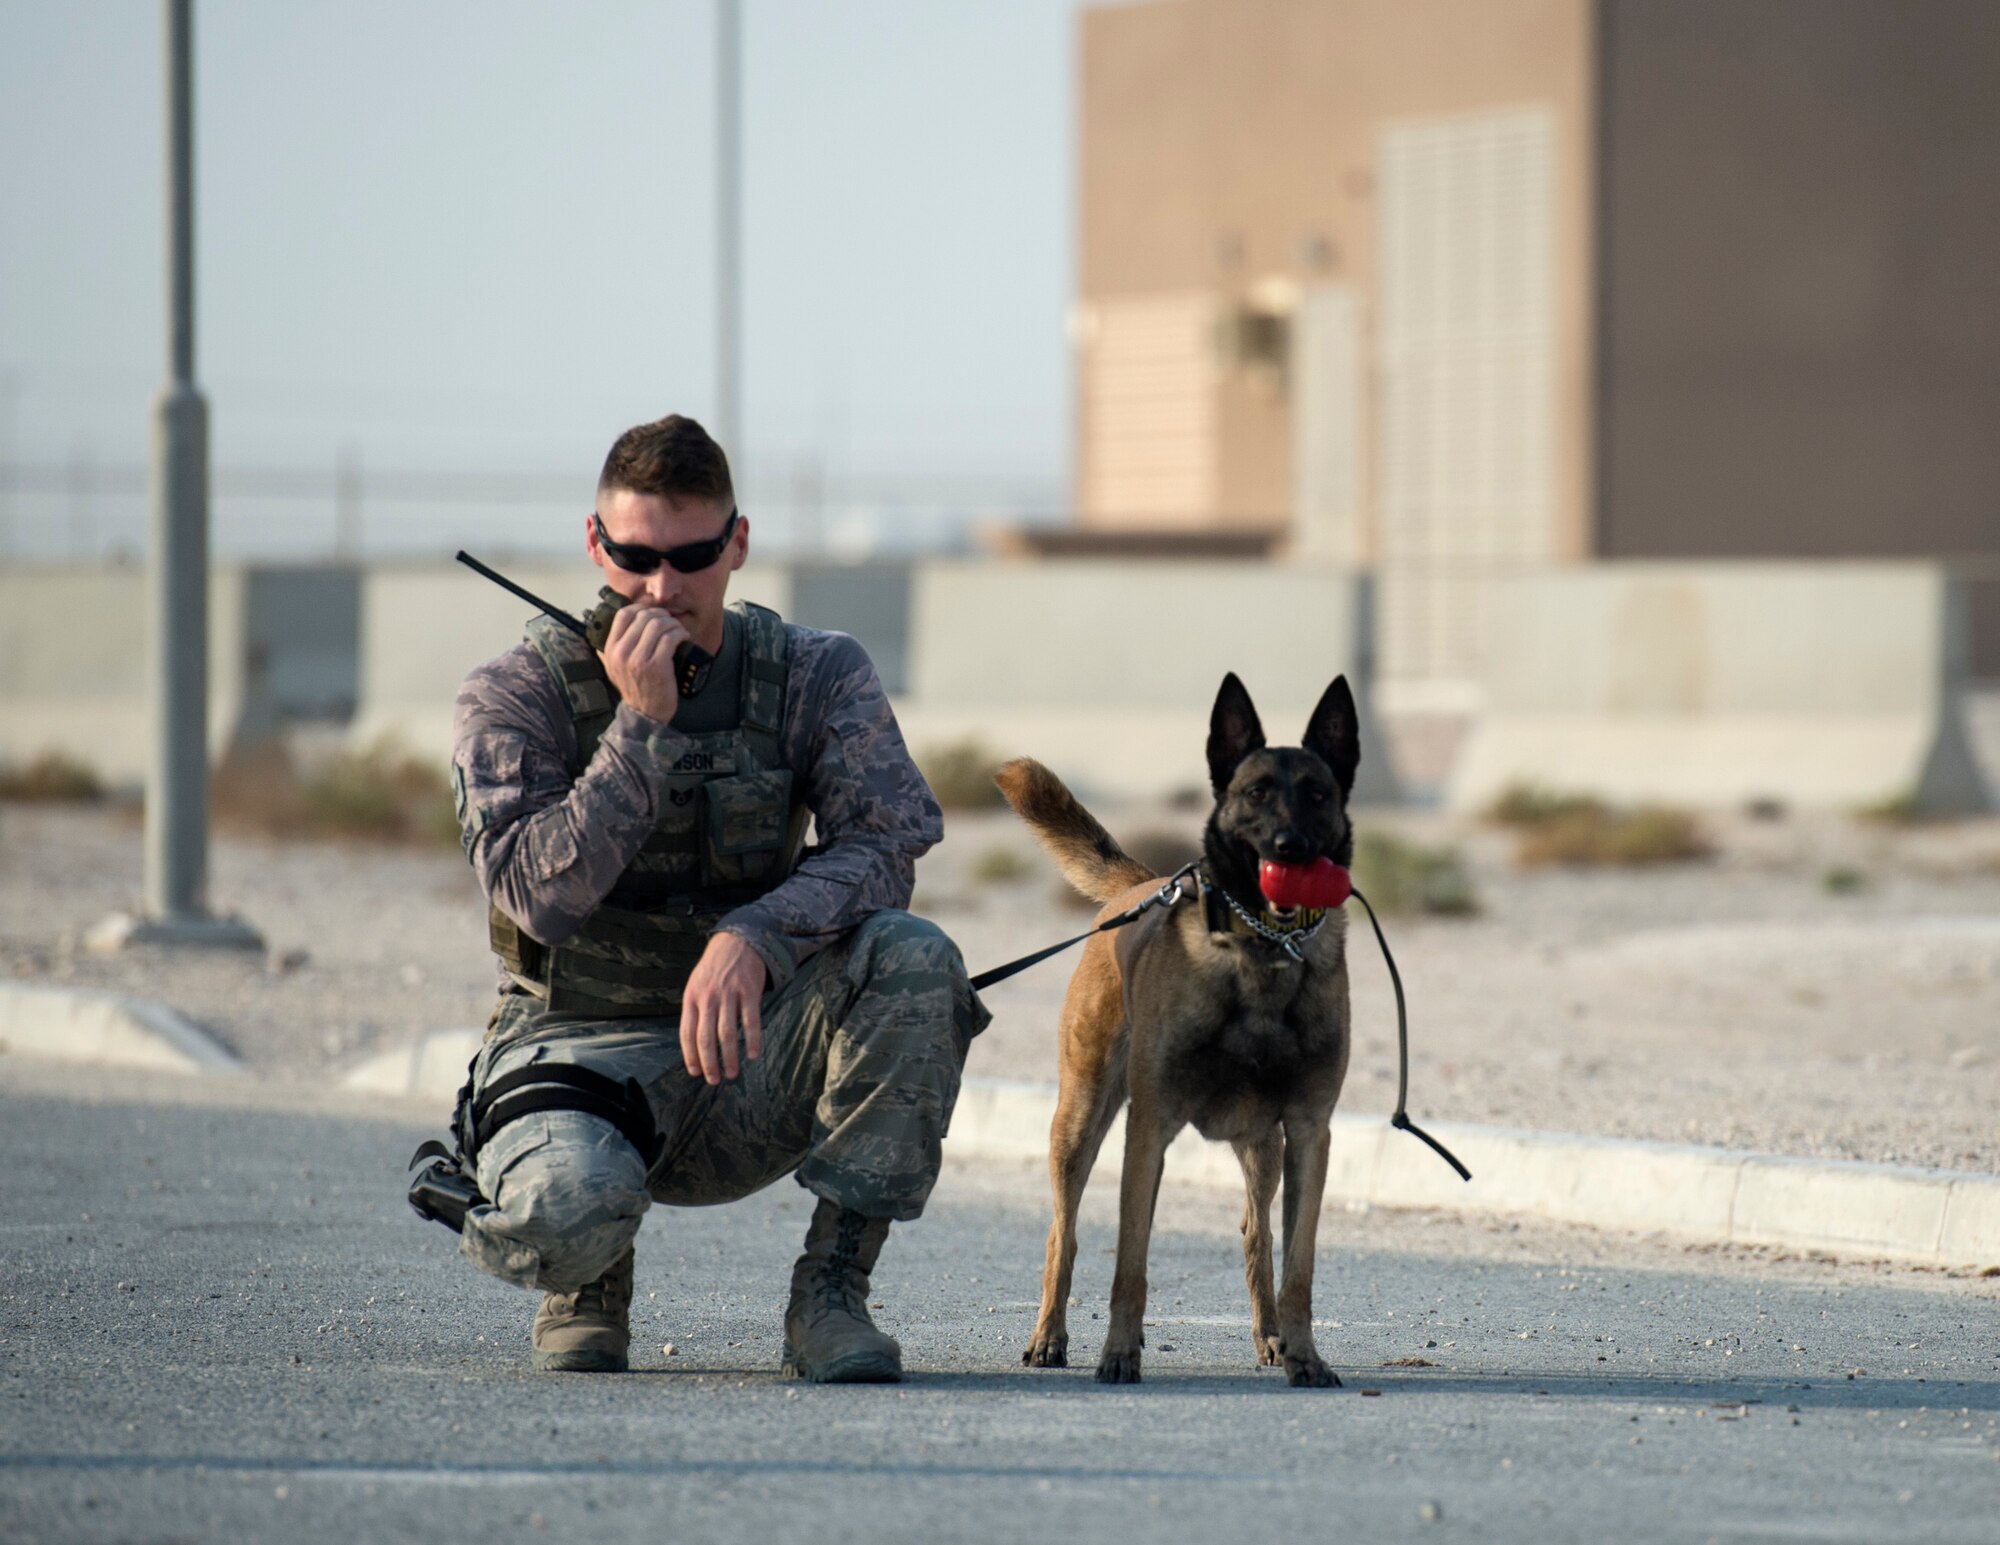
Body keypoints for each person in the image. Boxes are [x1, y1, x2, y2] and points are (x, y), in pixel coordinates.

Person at [441, 412, 986, 1382]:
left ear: (736, 543)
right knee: (557, 1222)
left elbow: (889, 837)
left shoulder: (816, 673)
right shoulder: (517, 693)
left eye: (691, 556)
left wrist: (758, 931)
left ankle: (830, 1293)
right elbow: (539, 897)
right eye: (634, 556)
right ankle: (588, 1272)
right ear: (593, 544)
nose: (661, 588)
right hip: (580, 1049)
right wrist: (639, 730)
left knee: (913, 956)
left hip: (747, 1056)